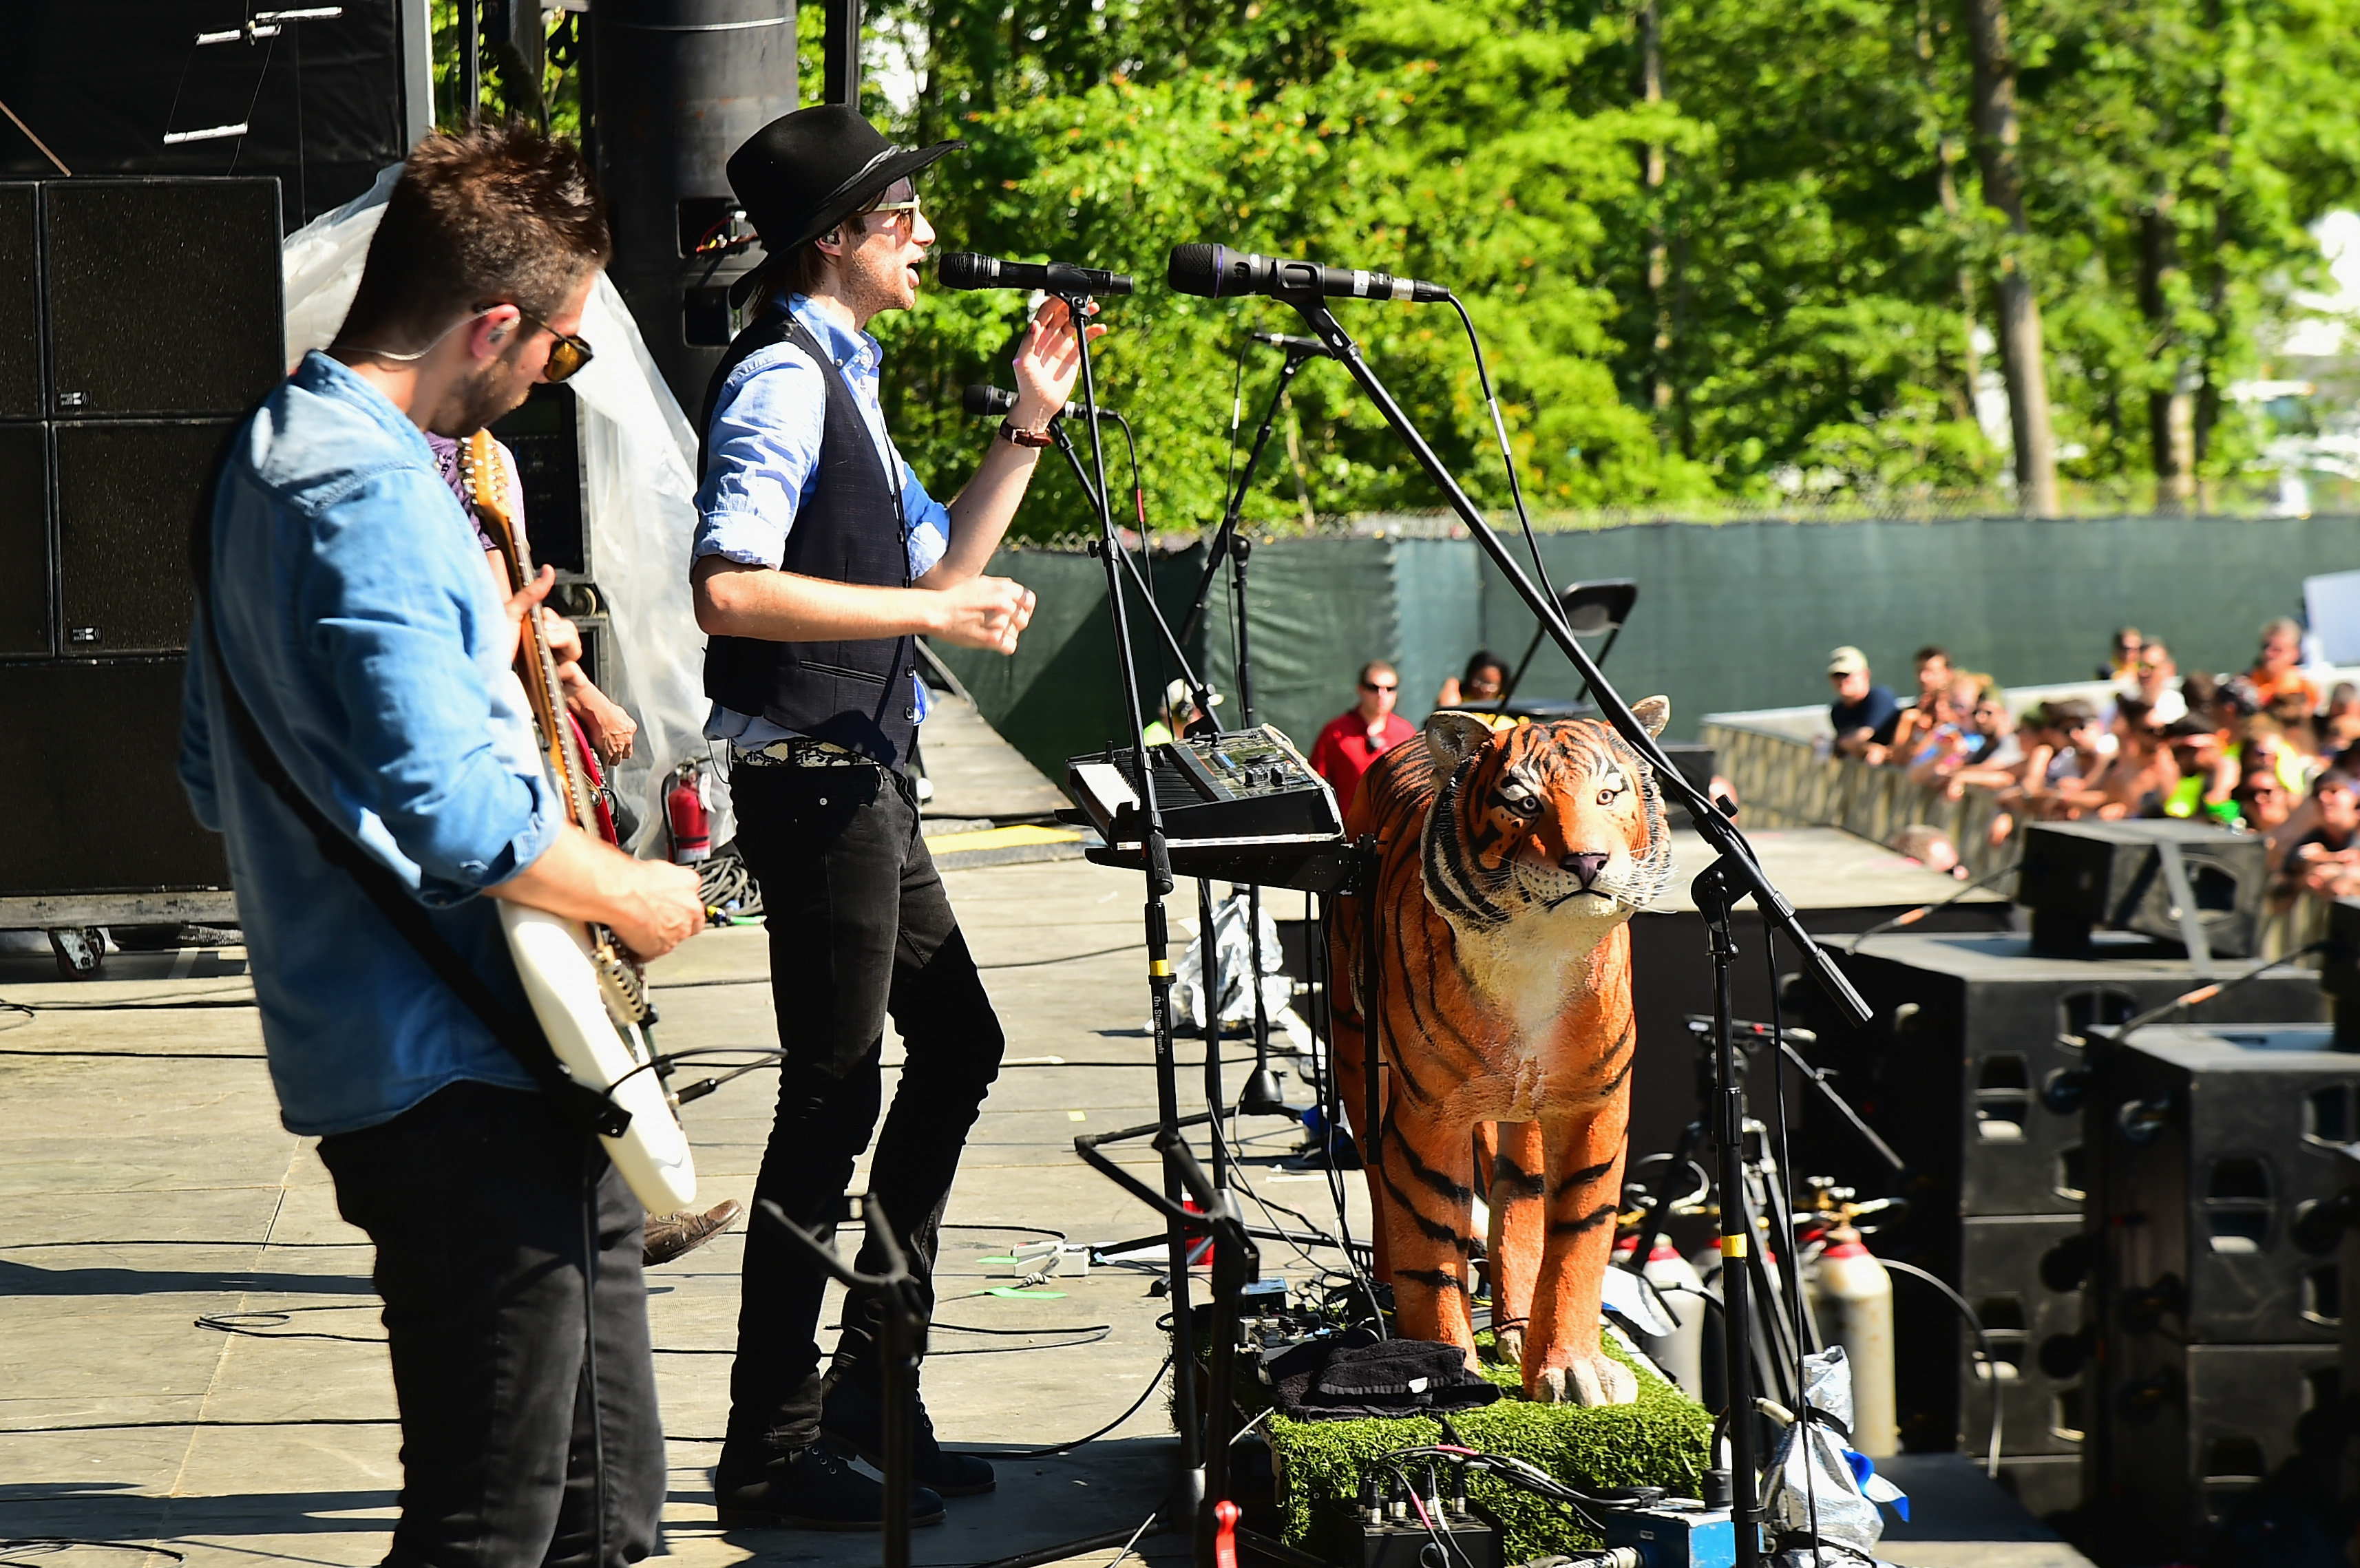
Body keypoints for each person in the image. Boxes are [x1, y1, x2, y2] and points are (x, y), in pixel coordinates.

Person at [178, 126, 708, 1565]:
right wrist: (635, 891)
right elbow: (461, 815)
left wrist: (487, 651)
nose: (554, 374)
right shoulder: (364, 491)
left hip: (471, 1056)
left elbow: (207, 774)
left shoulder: (267, 456)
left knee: (605, 1509)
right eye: (559, 348)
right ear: (489, 324)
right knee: (492, 1520)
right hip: (453, 1067)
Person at [688, 105, 1097, 1530]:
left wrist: (1029, 420)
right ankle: (769, 1438)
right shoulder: (783, 384)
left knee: (960, 1043)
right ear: (836, 241)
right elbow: (728, 587)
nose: (924, 234)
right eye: (902, 214)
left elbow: (944, 556)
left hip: (864, 769)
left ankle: (872, 1375)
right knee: (830, 1097)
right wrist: (929, 611)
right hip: (813, 776)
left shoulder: (845, 378)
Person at [432, 428, 746, 1269]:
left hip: (518, 738)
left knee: (594, 983)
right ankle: (610, 1206)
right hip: (483, 768)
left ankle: (623, 1202)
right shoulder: (419, 467)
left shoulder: (481, 456)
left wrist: (575, 687)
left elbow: (520, 607)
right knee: (567, 990)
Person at [1309, 659, 1416, 817]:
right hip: (1351, 831)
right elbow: (1315, 785)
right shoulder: (1335, 732)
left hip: (1395, 831)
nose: (1382, 695)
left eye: (1390, 688)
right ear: (1360, 689)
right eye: (1374, 688)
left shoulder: (1406, 731)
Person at [1826, 646, 1900, 762]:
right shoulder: (1837, 711)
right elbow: (1848, 747)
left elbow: (1862, 736)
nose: (1842, 681)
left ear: (1865, 675)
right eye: (1837, 675)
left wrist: (1836, 743)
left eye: (1847, 675)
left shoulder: (1880, 698)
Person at [1888, 645, 1955, 756]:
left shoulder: (1963, 715)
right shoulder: (1911, 715)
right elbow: (1898, 756)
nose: (1923, 678)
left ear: (1948, 674)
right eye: (1920, 671)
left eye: (1930, 672)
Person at [2249, 616, 2321, 715]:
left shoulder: (2306, 689)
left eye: (2277, 650)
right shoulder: (2247, 684)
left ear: (2295, 653)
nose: (2268, 653)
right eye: (2265, 646)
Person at [1144, 675, 1222, 746]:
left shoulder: (1180, 739)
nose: (1203, 716)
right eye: (1200, 710)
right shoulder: (1154, 741)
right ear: (1184, 713)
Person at [1435, 648, 1507, 710]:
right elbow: (1447, 712)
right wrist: (1452, 684)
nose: (1484, 689)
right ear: (1470, 678)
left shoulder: (1506, 705)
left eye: (1491, 684)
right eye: (1480, 681)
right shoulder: (1461, 698)